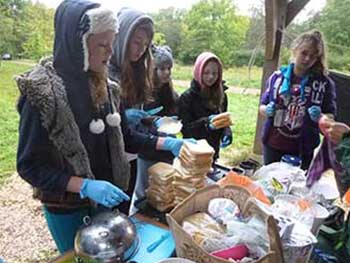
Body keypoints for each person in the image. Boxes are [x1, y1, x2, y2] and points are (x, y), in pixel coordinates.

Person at [16, 0, 187, 254]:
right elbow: (29, 166)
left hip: (104, 200)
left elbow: (126, 138)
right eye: (102, 45)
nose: (110, 52)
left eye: (112, 43)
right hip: (67, 207)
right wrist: (84, 185)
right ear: (78, 44)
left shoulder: (107, 87)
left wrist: (169, 143)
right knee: (79, 257)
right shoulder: (42, 95)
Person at [259, 30, 337, 170]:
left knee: (296, 187)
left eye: (313, 56)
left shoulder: (324, 84)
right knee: (269, 183)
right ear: (295, 50)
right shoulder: (277, 78)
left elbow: (330, 116)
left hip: (303, 148)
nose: (307, 59)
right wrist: (267, 110)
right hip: (273, 144)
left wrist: (321, 117)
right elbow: (262, 107)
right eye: (304, 53)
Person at [129, 45, 178, 214]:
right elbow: (136, 125)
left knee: (163, 190)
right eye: (161, 68)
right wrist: (151, 121)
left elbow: (176, 114)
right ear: (152, 69)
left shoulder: (171, 93)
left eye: (169, 68)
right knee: (144, 192)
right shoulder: (144, 92)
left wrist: (174, 121)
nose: (166, 73)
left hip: (168, 147)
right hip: (148, 149)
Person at [177, 52, 233, 162]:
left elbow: (223, 120)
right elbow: (186, 130)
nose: (211, 77)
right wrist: (206, 123)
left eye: (215, 73)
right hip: (193, 153)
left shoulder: (222, 95)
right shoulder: (187, 97)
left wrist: (226, 131)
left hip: (213, 151)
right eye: (206, 73)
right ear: (198, 72)